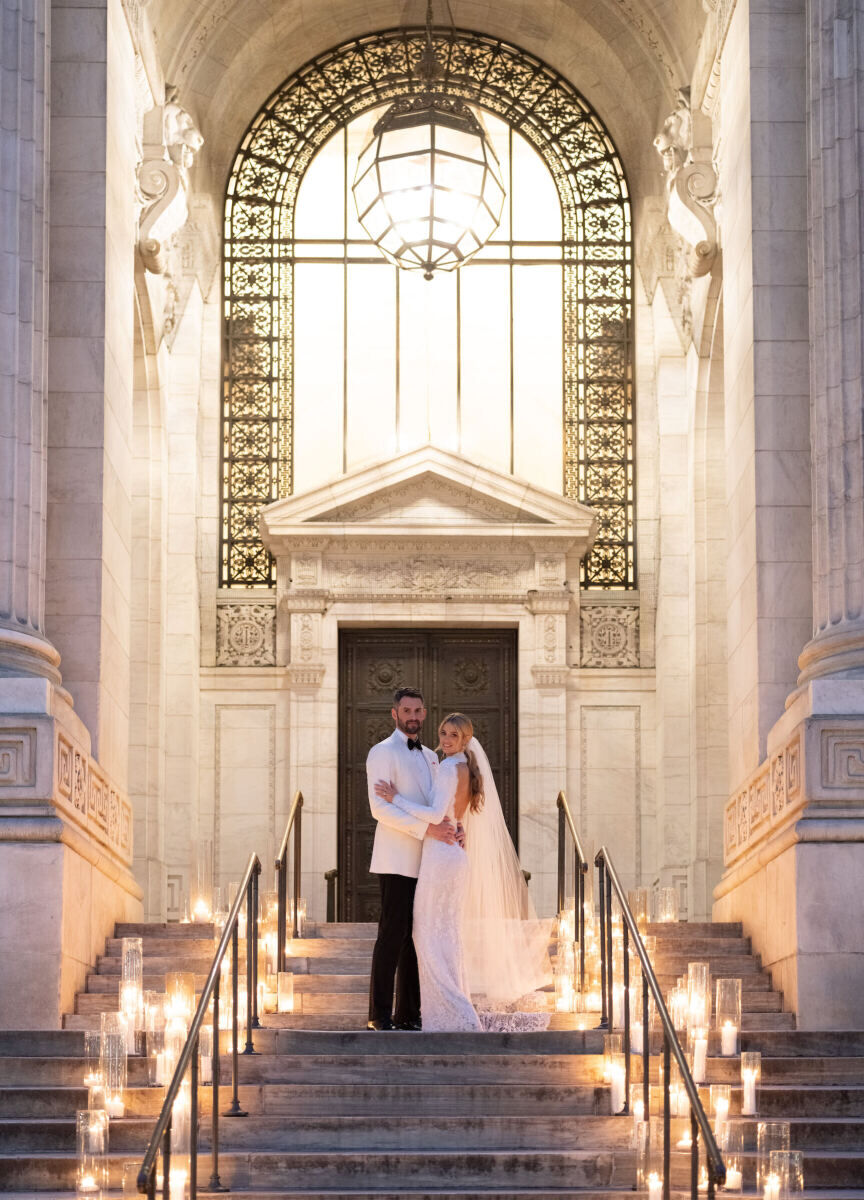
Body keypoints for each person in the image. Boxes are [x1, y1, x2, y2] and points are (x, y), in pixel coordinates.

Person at [375, 712, 553, 1032]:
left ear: (466, 740)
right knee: (444, 934)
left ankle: (454, 1010)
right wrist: (457, 828)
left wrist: (395, 797)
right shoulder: (465, 769)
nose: (445, 740)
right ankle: (447, 1008)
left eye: (453, 736)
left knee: (427, 935)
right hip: (453, 854)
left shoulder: (447, 767)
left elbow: (433, 813)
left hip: (441, 857)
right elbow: (454, 815)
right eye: (443, 732)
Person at [366, 687, 462, 1031]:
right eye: (406, 710)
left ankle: (409, 1013)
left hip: (431, 860)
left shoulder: (432, 756)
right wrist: (428, 832)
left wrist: (454, 828)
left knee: (418, 937)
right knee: (392, 934)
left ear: (424, 713)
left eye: (418, 711)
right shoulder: (381, 752)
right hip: (396, 859)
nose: (413, 717)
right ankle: (378, 1014)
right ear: (394, 713)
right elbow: (380, 808)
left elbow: (438, 805)